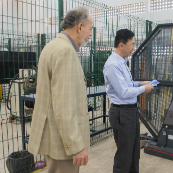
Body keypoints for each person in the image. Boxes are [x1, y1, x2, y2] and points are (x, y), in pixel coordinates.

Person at [28, 7, 93, 173]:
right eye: (90, 29)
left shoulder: (51, 46)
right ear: (80, 27)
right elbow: (64, 106)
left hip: (54, 137)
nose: (90, 34)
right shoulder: (65, 52)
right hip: (64, 143)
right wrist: (76, 146)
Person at [103, 29, 154, 173]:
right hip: (122, 113)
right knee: (124, 155)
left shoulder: (122, 62)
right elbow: (123, 92)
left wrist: (140, 83)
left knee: (134, 151)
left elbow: (127, 84)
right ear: (121, 45)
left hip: (130, 111)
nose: (133, 48)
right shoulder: (113, 64)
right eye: (131, 45)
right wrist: (144, 89)